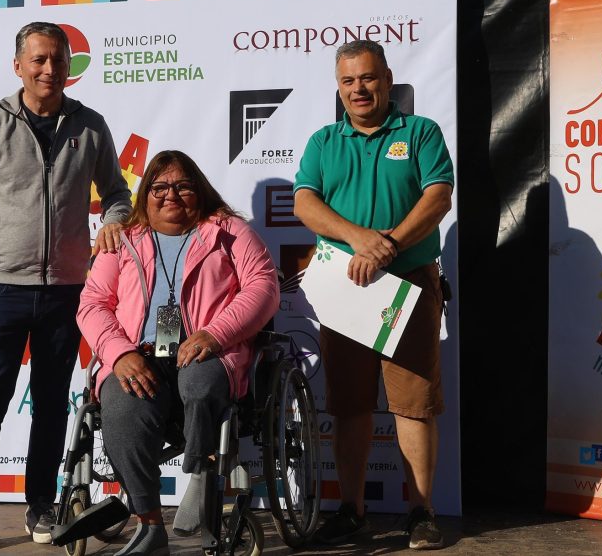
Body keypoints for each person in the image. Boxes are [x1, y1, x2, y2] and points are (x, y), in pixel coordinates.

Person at [0, 22, 133, 556]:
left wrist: (114, 219)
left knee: (51, 406)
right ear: (18, 65)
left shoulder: (89, 126)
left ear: (71, 67)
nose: (49, 70)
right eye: (39, 60)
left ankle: (41, 504)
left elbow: (117, 193)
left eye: (59, 61)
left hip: (67, 292)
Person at [77, 150, 280, 556]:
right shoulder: (122, 239)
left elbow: (263, 286)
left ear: (199, 191)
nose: (172, 195)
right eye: (160, 187)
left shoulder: (228, 232)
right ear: (145, 195)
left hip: (210, 352)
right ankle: (150, 526)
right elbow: (93, 303)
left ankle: (204, 471)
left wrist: (214, 334)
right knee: (119, 401)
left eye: (183, 186)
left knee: (199, 381)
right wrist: (119, 354)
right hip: (141, 354)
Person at [293, 40, 454, 550]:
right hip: (345, 284)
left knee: (413, 404)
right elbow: (304, 202)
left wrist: (387, 246)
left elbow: (439, 196)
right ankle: (352, 509)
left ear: (387, 79)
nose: (358, 89)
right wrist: (358, 238)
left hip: (407, 281)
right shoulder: (323, 141)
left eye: (367, 78)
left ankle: (422, 511)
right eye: (348, 81)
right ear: (338, 87)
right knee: (349, 406)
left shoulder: (421, 132)